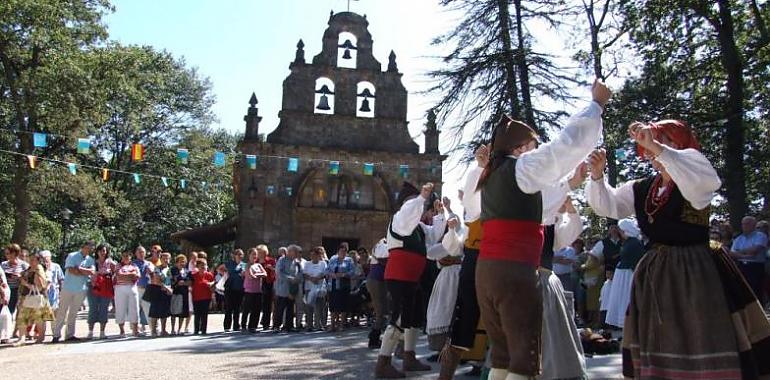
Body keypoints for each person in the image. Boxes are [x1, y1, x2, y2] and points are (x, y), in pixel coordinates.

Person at [585, 119, 770, 378]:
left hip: (697, 269)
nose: (650, 149)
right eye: (648, 144)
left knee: (700, 331)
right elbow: (610, 206)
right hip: (656, 273)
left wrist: (659, 147)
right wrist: (597, 175)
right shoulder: (642, 187)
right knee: (660, 336)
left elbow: (705, 182)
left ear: (679, 144)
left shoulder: (695, 173)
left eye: (661, 141)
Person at [473, 79, 609, 380]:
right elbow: (565, 146)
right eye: (532, 146)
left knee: (502, 356)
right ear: (521, 147)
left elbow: (543, 204)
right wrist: (596, 105)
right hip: (514, 273)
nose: (534, 151)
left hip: (486, 273)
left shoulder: (490, 176)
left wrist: (569, 184)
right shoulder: (520, 168)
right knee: (524, 359)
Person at [375, 181, 449, 378]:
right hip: (399, 276)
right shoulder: (399, 219)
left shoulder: (420, 228)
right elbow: (410, 210)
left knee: (414, 318)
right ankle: (383, 363)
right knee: (399, 318)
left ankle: (409, 357)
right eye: (415, 202)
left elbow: (434, 236)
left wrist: (441, 214)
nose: (419, 207)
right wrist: (421, 198)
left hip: (412, 277)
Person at [426, 209, 464, 355]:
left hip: (455, 277)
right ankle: (441, 349)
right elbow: (431, 253)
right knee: (442, 309)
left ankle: (453, 349)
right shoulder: (448, 241)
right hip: (446, 278)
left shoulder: (461, 240)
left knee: (451, 310)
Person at [604, 218, 645, 329]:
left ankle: (628, 325)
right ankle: (624, 326)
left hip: (628, 276)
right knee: (621, 299)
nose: (620, 232)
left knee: (626, 298)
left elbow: (636, 261)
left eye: (621, 230)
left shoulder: (634, 243)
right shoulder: (628, 242)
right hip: (622, 275)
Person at [53, 241, 96, 343]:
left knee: (73, 313)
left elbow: (92, 272)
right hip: (68, 288)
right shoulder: (72, 256)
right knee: (62, 311)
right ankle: (56, 335)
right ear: (83, 247)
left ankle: (70, 334)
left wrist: (79, 269)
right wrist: (85, 271)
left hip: (81, 289)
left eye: (91, 248)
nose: (89, 250)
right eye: (87, 247)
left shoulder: (90, 260)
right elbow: (72, 270)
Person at [14, 253, 54, 345]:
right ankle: (22, 338)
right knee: (22, 318)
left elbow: (41, 286)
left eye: (33, 260)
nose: (31, 261)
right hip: (27, 297)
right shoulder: (28, 269)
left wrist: (26, 283)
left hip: (37, 297)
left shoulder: (40, 269)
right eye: (30, 259)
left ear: (38, 261)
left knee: (39, 318)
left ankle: (40, 337)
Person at [730, 216, 768, 305]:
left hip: (755, 268)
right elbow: (731, 253)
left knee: (755, 291)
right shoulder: (739, 239)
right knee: (742, 291)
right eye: (743, 224)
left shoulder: (760, 236)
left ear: (753, 225)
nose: (744, 226)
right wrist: (747, 255)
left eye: (747, 224)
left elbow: (755, 250)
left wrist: (739, 253)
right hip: (741, 267)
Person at [86, 244, 115, 340]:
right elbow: (91, 272)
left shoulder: (110, 262)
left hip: (106, 285)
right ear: (97, 252)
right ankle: (90, 332)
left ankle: (102, 332)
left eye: (105, 251)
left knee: (104, 308)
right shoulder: (92, 261)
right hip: (93, 285)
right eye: (101, 250)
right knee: (93, 307)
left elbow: (116, 270)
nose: (103, 253)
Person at [326, 243, 354, 332]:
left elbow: (352, 272)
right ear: (338, 251)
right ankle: (333, 325)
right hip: (333, 285)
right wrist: (332, 274)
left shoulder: (349, 260)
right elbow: (327, 270)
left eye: (345, 251)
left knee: (343, 306)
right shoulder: (333, 259)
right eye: (341, 250)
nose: (343, 252)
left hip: (344, 286)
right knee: (333, 306)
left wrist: (343, 274)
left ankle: (342, 325)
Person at [274, 245, 302, 332]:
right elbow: (279, 272)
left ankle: (289, 326)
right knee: (280, 308)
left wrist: (297, 279)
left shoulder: (296, 262)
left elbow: (300, 272)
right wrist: (290, 278)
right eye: (295, 252)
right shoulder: (282, 260)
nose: (297, 254)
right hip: (283, 289)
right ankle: (276, 326)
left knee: (290, 308)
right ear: (290, 252)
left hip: (292, 289)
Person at [114, 250, 140, 338]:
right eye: (124, 255)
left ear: (130, 257)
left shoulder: (134, 265)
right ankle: (122, 330)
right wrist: (131, 275)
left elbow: (137, 276)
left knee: (134, 308)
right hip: (120, 289)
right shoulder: (118, 265)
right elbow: (119, 275)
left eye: (127, 255)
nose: (126, 257)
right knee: (120, 308)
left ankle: (135, 330)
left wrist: (127, 276)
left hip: (132, 288)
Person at [241, 248, 266, 333]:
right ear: (249, 255)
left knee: (257, 309)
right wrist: (259, 275)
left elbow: (265, 274)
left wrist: (257, 274)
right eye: (253, 254)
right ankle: (243, 325)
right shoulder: (247, 265)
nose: (255, 256)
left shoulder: (258, 265)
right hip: (249, 290)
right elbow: (251, 276)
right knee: (247, 309)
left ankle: (253, 326)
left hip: (258, 290)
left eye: (256, 254)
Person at [303, 246, 328, 332]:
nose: (312, 256)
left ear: (318, 255)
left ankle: (319, 324)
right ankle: (309, 325)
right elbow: (304, 274)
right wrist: (311, 278)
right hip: (309, 287)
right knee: (309, 307)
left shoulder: (323, 263)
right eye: (311, 255)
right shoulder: (307, 263)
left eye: (314, 255)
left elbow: (324, 273)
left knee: (319, 306)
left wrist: (317, 278)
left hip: (319, 288)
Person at [220, 249, 245, 332]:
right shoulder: (229, 263)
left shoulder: (244, 265)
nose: (240, 256)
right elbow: (219, 268)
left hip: (240, 288)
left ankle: (236, 326)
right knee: (229, 308)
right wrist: (224, 274)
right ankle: (227, 326)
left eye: (241, 254)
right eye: (238, 254)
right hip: (229, 288)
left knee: (237, 308)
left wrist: (244, 275)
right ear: (234, 255)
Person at [1, 244, 29, 316]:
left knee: (10, 311)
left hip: (16, 291)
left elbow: (29, 278)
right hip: (3, 290)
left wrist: (20, 277)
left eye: (8, 253)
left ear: (14, 253)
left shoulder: (24, 265)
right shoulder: (3, 264)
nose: (6, 255)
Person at [132, 245, 153, 335]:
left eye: (143, 252)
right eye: (139, 252)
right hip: (136, 288)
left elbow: (153, 275)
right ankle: (135, 329)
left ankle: (153, 328)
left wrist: (151, 272)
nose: (141, 254)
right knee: (135, 309)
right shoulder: (132, 264)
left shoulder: (149, 263)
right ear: (136, 253)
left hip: (147, 289)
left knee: (148, 309)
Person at [191, 258, 214, 335]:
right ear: (197, 266)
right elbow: (190, 284)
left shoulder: (209, 275)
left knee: (204, 315)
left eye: (205, 265)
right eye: (201, 265)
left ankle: (204, 330)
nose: (203, 267)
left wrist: (211, 284)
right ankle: (196, 330)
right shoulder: (194, 275)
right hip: (196, 297)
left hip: (206, 297)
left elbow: (214, 286)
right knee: (197, 314)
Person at [170, 254, 191, 335]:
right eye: (180, 261)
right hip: (175, 293)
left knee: (182, 312)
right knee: (173, 312)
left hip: (184, 294)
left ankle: (179, 329)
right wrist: (177, 283)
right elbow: (170, 280)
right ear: (176, 262)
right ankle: (172, 329)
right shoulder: (172, 270)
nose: (182, 263)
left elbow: (190, 282)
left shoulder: (187, 271)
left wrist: (185, 283)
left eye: (184, 261)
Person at [257, 245, 276, 330]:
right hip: (256, 284)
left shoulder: (271, 260)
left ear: (265, 252)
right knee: (256, 304)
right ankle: (254, 323)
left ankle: (266, 323)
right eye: (259, 252)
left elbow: (276, 271)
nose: (260, 254)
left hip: (268, 283)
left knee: (267, 304)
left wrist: (271, 268)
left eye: (261, 252)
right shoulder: (255, 261)